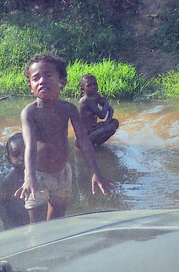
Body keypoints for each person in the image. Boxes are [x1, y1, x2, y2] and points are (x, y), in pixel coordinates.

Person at [16, 53, 112, 223]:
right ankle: (37, 249)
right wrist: (29, 177)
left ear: (62, 81)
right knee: (36, 226)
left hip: (63, 175)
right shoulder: (30, 112)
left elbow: (84, 141)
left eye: (48, 75)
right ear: (30, 86)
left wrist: (96, 172)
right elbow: (30, 146)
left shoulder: (68, 109)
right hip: (38, 176)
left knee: (57, 223)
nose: (42, 81)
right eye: (36, 78)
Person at [0, 133, 30, 229]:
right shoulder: (8, 182)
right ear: (8, 159)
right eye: (16, 154)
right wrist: (9, 226)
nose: (22, 158)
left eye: (26, 152)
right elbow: (2, 206)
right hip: (18, 225)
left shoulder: (42, 175)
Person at [78, 74, 119, 147]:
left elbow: (110, 109)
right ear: (82, 89)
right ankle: (93, 147)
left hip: (92, 130)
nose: (93, 87)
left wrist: (107, 122)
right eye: (89, 85)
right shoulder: (86, 100)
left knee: (114, 122)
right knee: (111, 128)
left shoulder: (96, 96)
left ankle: (95, 145)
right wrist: (106, 103)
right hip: (83, 138)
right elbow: (102, 115)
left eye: (95, 84)